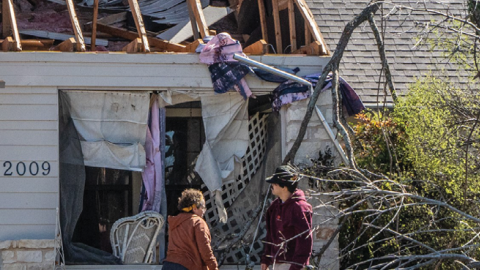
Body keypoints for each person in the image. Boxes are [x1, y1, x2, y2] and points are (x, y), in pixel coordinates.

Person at [261, 165, 313, 270]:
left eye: (274, 183)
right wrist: (266, 259)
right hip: (276, 263)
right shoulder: (275, 206)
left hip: (291, 264)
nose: (272, 186)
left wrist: (296, 267)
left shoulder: (299, 208)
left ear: (284, 187)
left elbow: (305, 241)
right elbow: (270, 235)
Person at [163, 189, 218, 270]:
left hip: (168, 265)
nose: (204, 211)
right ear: (195, 208)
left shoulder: (174, 222)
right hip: (187, 266)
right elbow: (204, 249)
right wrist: (213, 266)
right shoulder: (198, 222)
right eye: (203, 207)